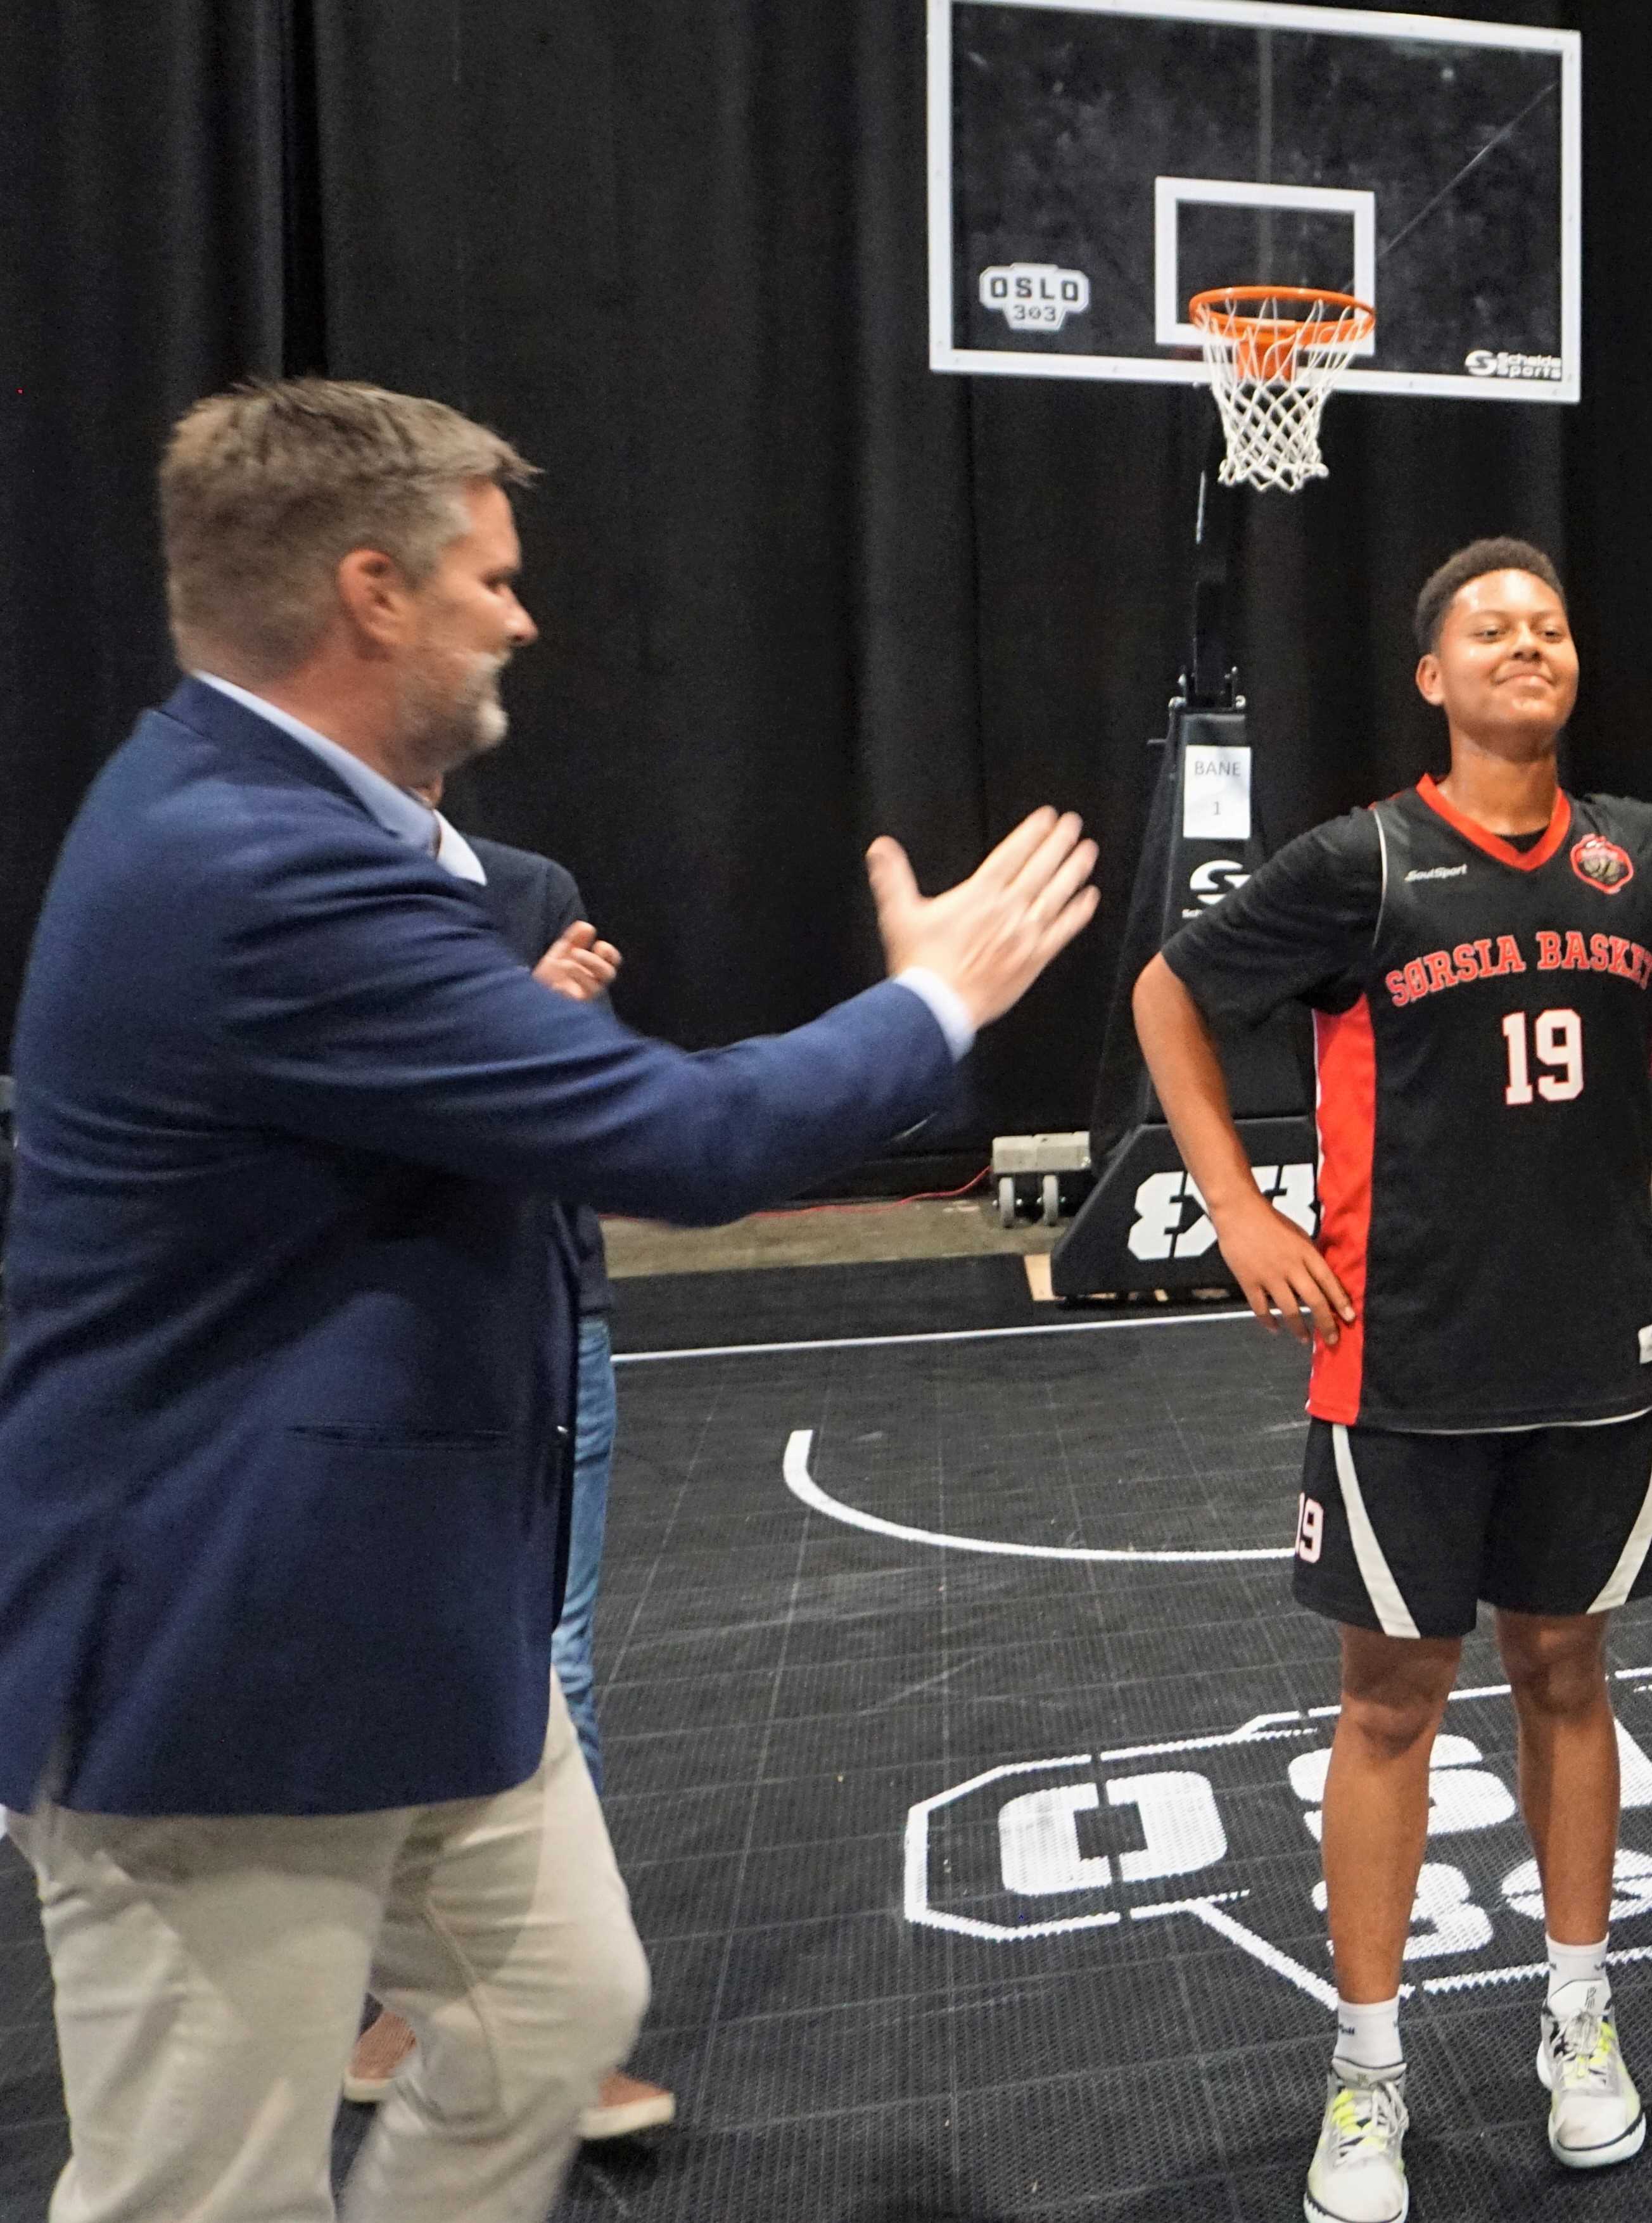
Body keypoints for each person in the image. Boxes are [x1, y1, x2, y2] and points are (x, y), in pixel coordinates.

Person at [0, 378, 1100, 2223]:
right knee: (203, 2184)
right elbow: (674, 1135)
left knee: (549, 2013)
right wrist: (936, 1003)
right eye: (490, 579)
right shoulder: (256, 865)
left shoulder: (291, 821)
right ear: (371, 590)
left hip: (397, 1616)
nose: (522, 615)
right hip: (218, 1657)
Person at [1131, 538, 1652, 2223]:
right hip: (1399, 1358)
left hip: (1596, 1357)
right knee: (1391, 1701)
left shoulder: (1651, 858)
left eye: (1548, 623)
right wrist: (1237, 1205)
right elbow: (1168, 992)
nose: (1525, 642)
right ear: (1433, 676)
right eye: (1491, 626)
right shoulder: (1364, 864)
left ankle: (1579, 2014)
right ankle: (1370, 2065)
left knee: (1567, 1672)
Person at [341, 799, 673, 2141]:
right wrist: (517, 1018)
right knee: (392, 1659)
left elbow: (580, 1124)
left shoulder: (533, 883)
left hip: (545, 1319)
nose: (512, 617)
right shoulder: (304, 895)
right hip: (373, 1339)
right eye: (482, 582)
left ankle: (548, 2026)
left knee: (549, 1659)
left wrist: (551, 1030)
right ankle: (417, 1997)